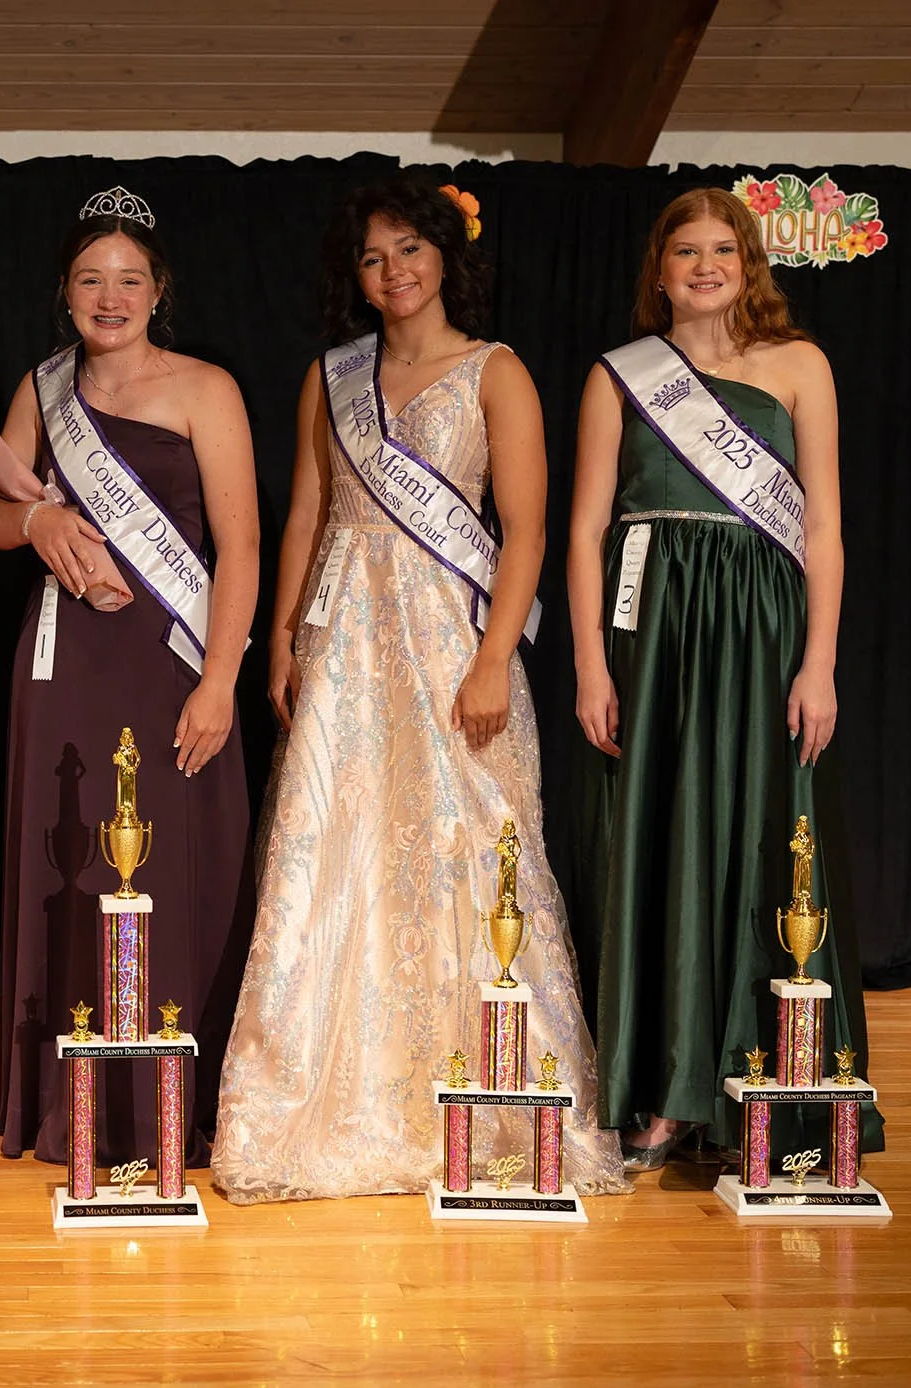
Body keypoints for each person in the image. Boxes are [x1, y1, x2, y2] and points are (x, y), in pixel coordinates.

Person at [213, 176, 626, 1202]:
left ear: (444, 255)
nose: (392, 271)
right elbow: (306, 513)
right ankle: (328, 1100)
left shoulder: (497, 373)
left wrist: (492, 657)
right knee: (335, 843)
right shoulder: (332, 377)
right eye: (371, 256)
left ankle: (490, 1102)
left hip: (448, 637)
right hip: (345, 638)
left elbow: (524, 527)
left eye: (409, 249)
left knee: (466, 849)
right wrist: (282, 639)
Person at [568, 187, 879, 1169]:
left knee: (761, 840)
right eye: (684, 250)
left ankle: (770, 1081)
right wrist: (587, 664)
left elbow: (823, 528)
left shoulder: (800, 367)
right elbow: (582, 532)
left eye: (722, 250)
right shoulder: (618, 378)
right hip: (653, 631)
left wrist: (819, 660)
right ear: (656, 270)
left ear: (748, 265)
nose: (704, 265)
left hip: (761, 629)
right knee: (659, 839)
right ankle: (662, 1092)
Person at [0, 187, 258, 1168]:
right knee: (75, 864)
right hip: (69, 666)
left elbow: (243, 545)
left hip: (174, 663)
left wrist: (221, 678)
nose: (109, 295)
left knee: (183, 869)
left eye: (129, 279)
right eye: (90, 278)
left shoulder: (205, 388)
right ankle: (75, 1105)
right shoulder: (41, 388)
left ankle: (179, 1103)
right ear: (64, 291)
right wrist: (35, 520)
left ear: (158, 289)